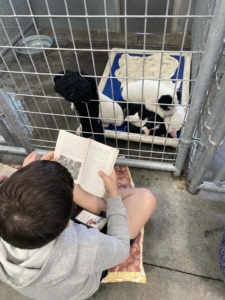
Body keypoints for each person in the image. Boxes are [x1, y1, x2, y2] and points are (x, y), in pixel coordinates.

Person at [0, 151, 157, 300]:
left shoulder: (7, 212)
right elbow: (121, 248)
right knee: (146, 198)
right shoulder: (85, 245)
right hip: (79, 284)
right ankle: (100, 203)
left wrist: (29, 173)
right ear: (69, 221)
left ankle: (96, 202)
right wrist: (113, 194)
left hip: (43, 275)